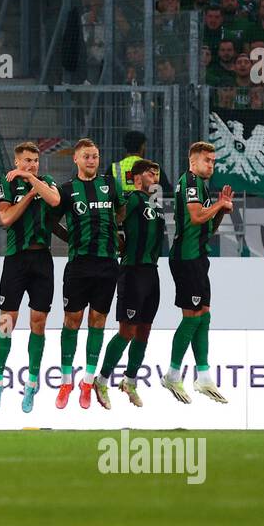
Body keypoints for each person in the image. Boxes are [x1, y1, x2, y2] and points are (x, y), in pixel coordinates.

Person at [0, 141, 63, 413]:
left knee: (38, 323)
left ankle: (31, 385)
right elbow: (5, 218)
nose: (32, 165)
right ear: (16, 162)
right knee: (7, 321)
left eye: (35, 161)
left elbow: (55, 200)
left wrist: (32, 180)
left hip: (42, 259)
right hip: (16, 259)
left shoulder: (45, 181)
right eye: (27, 161)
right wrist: (30, 194)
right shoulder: (6, 183)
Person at [50, 138, 124, 410]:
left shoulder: (110, 185)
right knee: (72, 320)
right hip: (79, 265)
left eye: (95, 156)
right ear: (76, 160)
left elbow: (121, 212)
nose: (91, 160)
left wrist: (119, 237)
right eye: (86, 156)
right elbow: (51, 222)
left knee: (98, 320)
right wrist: (70, 239)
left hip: (107, 264)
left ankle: (88, 382)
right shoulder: (67, 190)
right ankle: (66, 381)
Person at [164, 141, 233, 404]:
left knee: (204, 314)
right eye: (207, 160)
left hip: (198, 257)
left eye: (214, 161)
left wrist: (221, 211)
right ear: (193, 162)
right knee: (192, 316)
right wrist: (219, 204)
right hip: (185, 257)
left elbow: (207, 227)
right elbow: (195, 217)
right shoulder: (190, 180)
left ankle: (203, 377)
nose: (211, 165)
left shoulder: (201, 185)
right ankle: (172, 373)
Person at [92, 160, 165, 407]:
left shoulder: (154, 202)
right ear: (136, 177)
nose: (154, 175)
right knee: (127, 331)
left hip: (152, 272)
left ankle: (130, 381)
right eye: (149, 172)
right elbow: (113, 220)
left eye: (156, 172)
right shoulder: (133, 199)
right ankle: (101, 380)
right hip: (132, 271)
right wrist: (120, 245)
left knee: (144, 330)